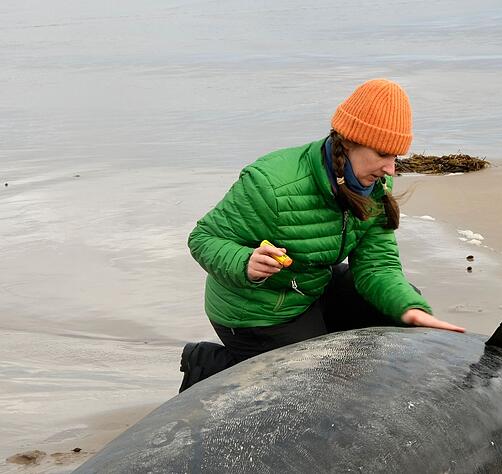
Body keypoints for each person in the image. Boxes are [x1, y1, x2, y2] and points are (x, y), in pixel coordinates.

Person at [180, 78, 465, 392]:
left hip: (311, 288)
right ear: (349, 141)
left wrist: (410, 309)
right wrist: (244, 262)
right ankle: (212, 365)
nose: (391, 169)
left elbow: (376, 266)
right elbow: (203, 238)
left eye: (395, 156)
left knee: (393, 313)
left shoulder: (375, 186)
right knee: (315, 386)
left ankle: (320, 344)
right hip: (255, 312)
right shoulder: (272, 185)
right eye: (383, 154)